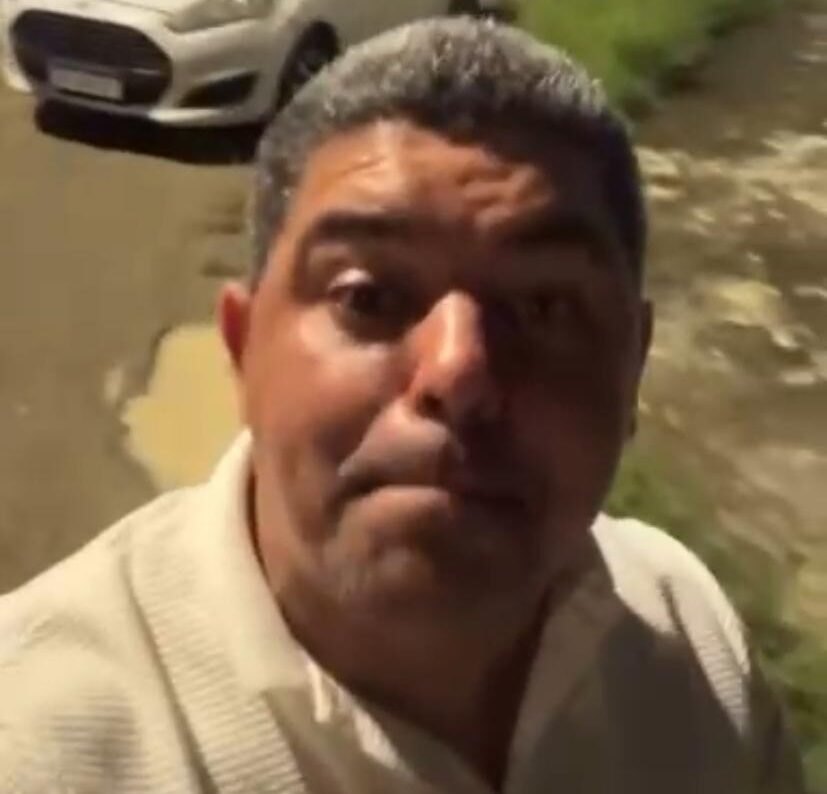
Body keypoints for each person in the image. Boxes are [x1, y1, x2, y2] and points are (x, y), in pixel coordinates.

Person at [0, 17, 806, 794]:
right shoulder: (34, 742)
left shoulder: (696, 656)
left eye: (544, 306)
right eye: (368, 296)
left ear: (631, 366)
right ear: (243, 350)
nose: (458, 369)